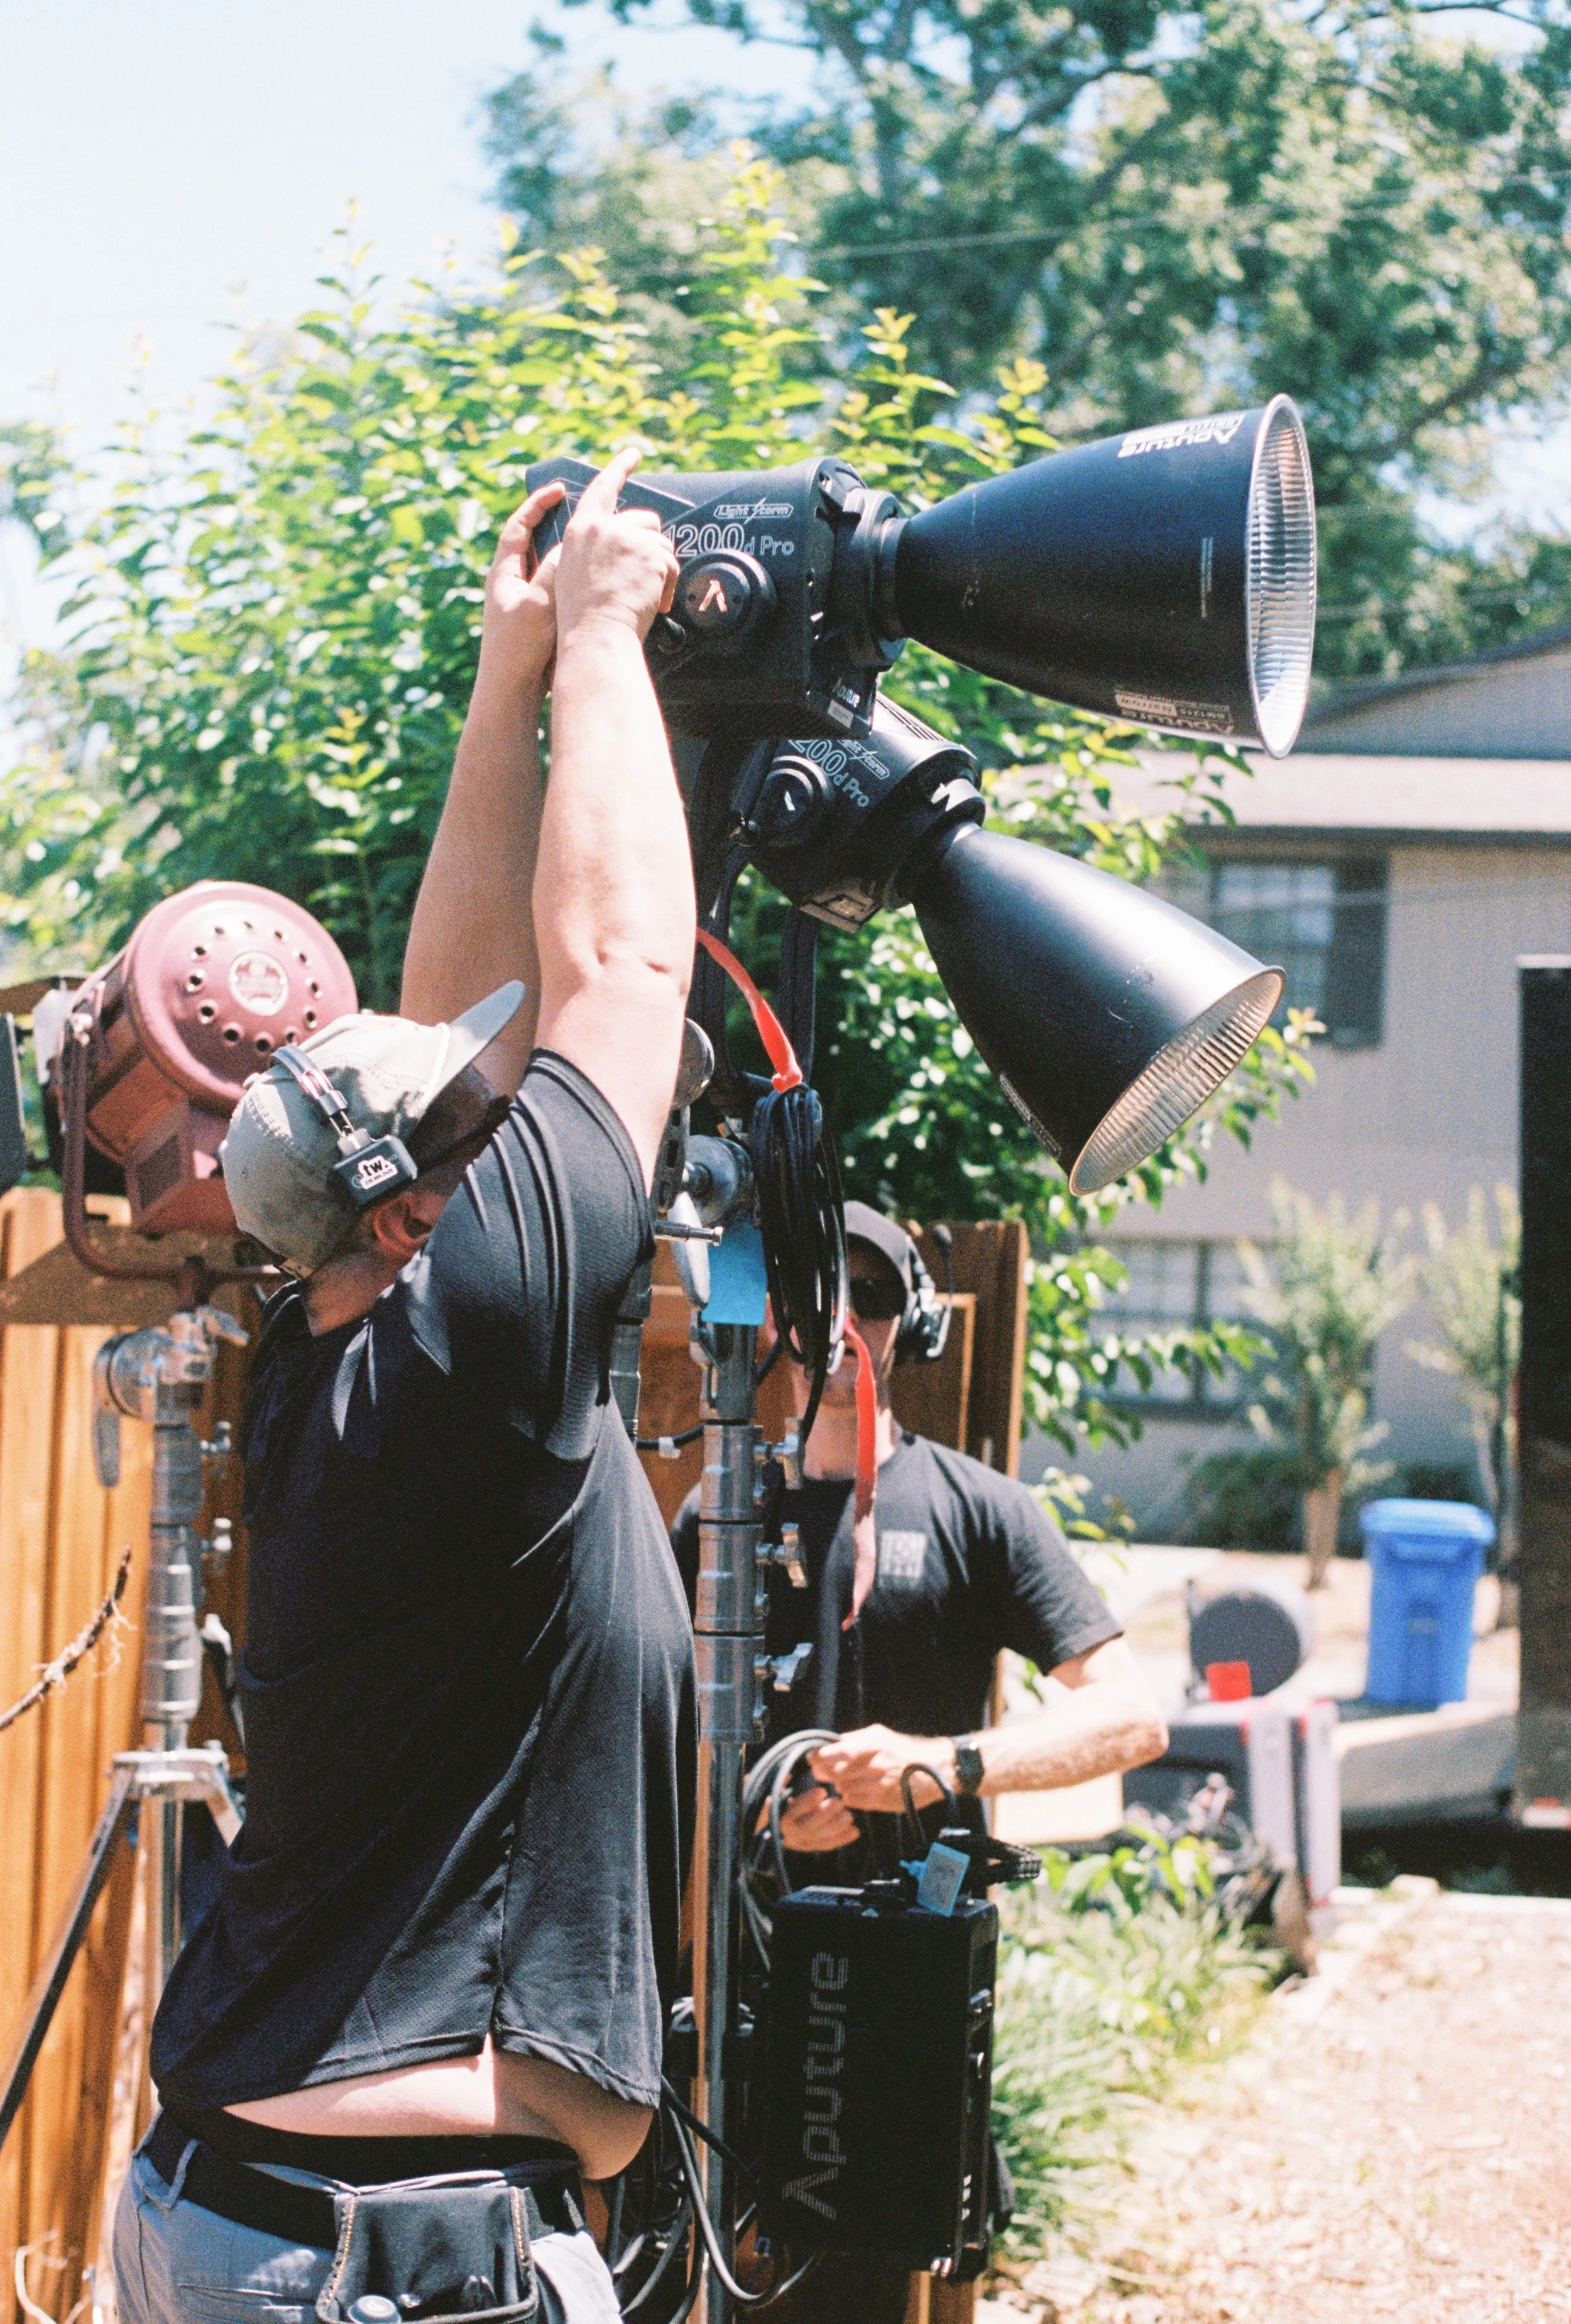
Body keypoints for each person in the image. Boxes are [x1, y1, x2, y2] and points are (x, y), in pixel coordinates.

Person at [114, 451, 696, 2324]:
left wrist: (501, 678)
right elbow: (613, 969)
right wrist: (604, 633)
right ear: (422, 1202)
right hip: (389, 2262)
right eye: (467, 1138)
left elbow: (450, 1034)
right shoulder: (475, 1350)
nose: (497, 1110)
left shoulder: (355, 1355)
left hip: (265, 2219)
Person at [672, 1202, 1168, 2323]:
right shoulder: (720, 1509)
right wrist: (752, 1814)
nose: (844, 1322)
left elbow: (1132, 1718)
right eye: (820, 1293)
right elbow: (646, 1738)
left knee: (897, 2280)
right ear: (776, 1319)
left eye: (874, 1296)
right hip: (738, 1991)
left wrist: (946, 1764)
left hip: (906, 1995)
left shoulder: (978, 1512)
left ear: (913, 1328)